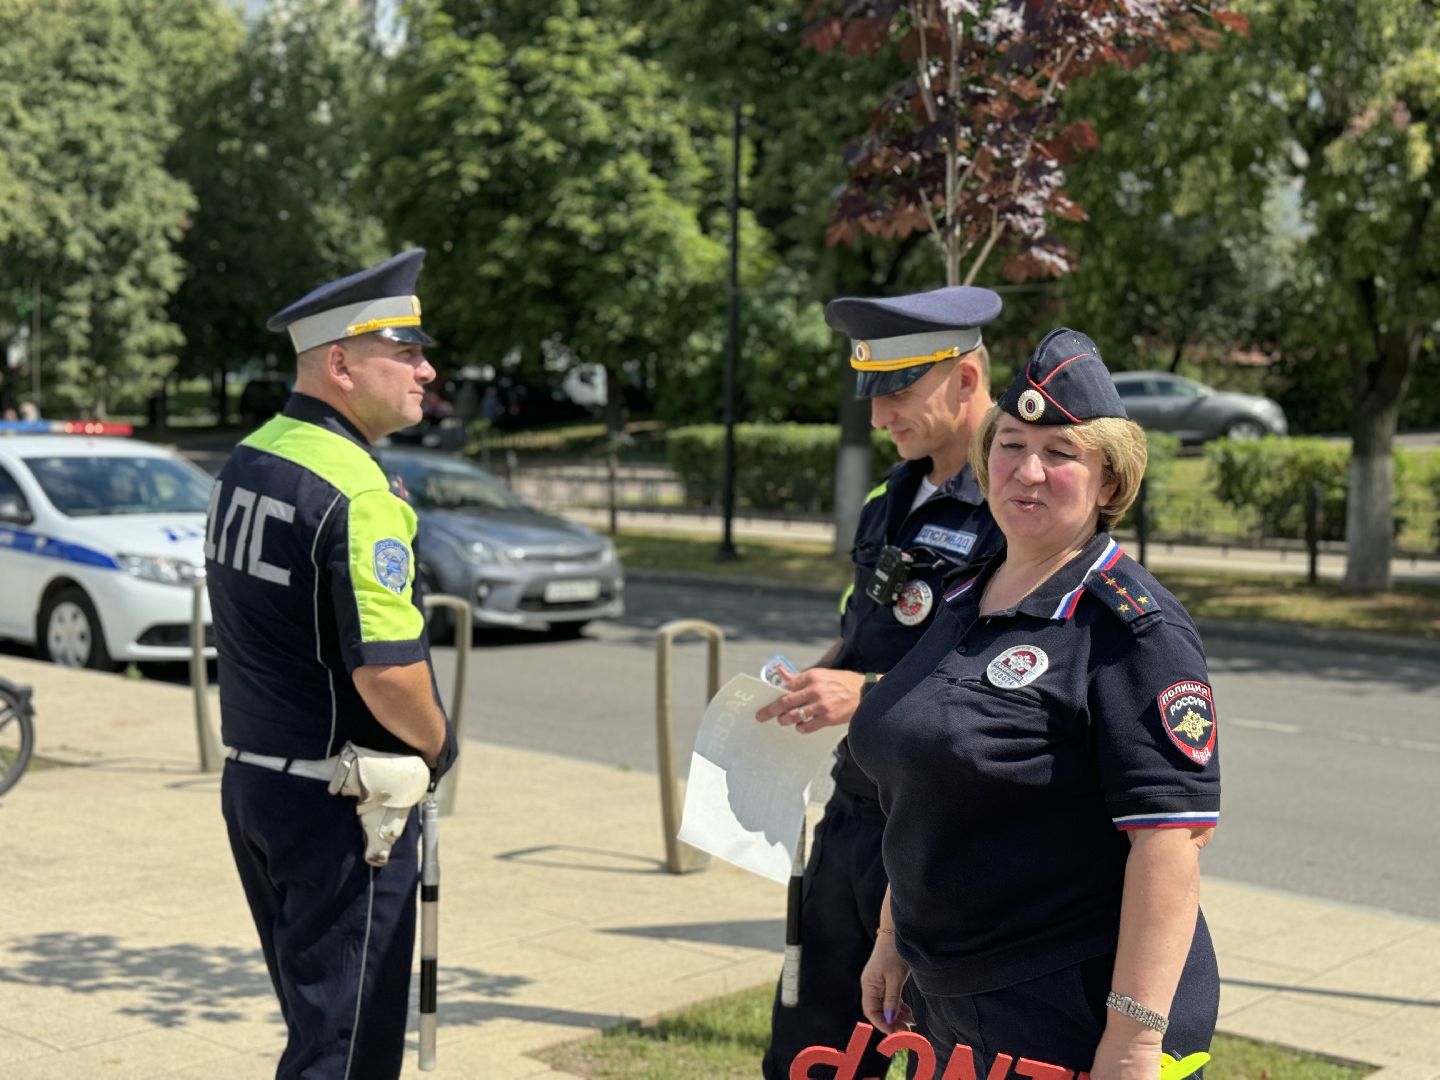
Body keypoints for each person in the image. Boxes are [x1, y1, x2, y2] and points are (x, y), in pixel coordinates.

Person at [850, 328, 1221, 1078]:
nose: (1029, 470)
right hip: (956, 994)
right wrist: (895, 934)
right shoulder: (964, 591)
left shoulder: (1130, 628)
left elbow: (1170, 843)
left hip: (1068, 1010)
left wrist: (1135, 1043)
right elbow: (929, 786)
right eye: (1011, 444)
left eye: (1061, 453)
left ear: (1109, 482)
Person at [205, 249, 457, 1080]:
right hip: (343, 807)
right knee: (346, 1053)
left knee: (316, 1032)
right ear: (342, 364)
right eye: (406, 352)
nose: (427, 369)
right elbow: (387, 673)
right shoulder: (359, 491)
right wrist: (438, 746)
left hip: (257, 784)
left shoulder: (249, 458)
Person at [757, 286, 1005, 1079]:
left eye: (897, 392)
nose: (877, 417)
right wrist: (819, 677)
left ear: (966, 380)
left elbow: (1009, 674)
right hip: (858, 813)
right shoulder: (888, 497)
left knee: (941, 1053)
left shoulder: (1016, 506)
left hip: (951, 835)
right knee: (811, 1048)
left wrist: (863, 695)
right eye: (871, 394)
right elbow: (869, 629)